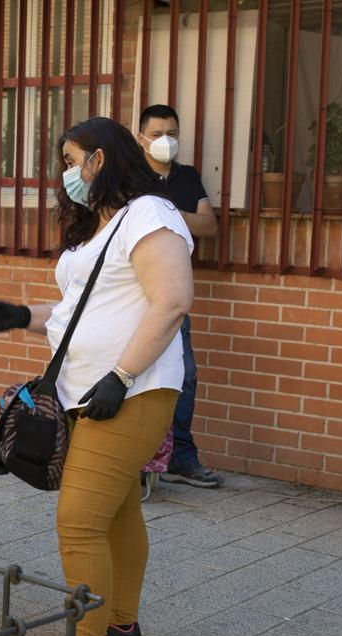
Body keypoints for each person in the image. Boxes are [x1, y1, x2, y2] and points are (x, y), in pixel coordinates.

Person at [0, 117, 194, 636]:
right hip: (82, 389)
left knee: (79, 520)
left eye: (73, 160)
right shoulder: (102, 224)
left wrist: (122, 374)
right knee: (117, 512)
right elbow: (84, 308)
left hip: (132, 389)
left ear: (101, 158)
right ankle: (121, 627)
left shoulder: (150, 213)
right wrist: (22, 316)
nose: (68, 172)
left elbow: (172, 300)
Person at [136, 104, 222, 490]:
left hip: (173, 291)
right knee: (134, 374)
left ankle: (181, 458)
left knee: (183, 375)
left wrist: (163, 210)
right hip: (133, 290)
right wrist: (177, 213)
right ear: (141, 138)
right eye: (156, 134)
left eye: (171, 132)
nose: (164, 141)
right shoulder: (130, 177)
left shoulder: (186, 177)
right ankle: (136, 457)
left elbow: (208, 225)